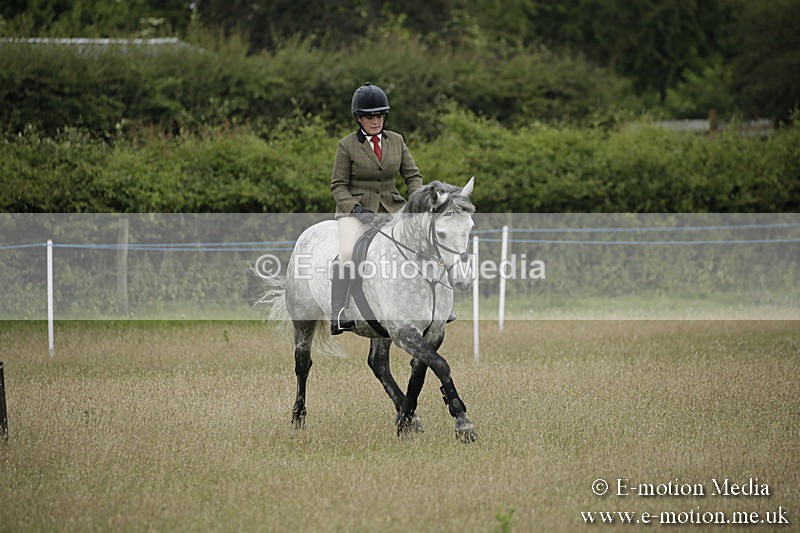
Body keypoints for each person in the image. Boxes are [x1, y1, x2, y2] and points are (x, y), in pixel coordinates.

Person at [329, 82, 423, 335]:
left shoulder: (397, 141)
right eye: (370, 117)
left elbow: (413, 176)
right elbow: (337, 186)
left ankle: (433, 306)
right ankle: (338, 312)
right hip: (356, 212)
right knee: (347, 253)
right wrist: (357, 210)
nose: (375, 121)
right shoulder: (346, 146)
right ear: (359, 118)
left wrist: (414, 203)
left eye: (379, 115)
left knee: (423, 244)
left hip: (393, 210)